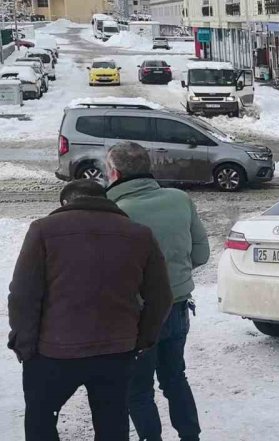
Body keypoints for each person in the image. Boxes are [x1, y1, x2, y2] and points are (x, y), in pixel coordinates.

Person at [8, 179, 173, 441]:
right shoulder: (139, 234)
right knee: (112, 425)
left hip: (54, 351)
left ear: (66, 202)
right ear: (106, 200)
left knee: (41, 421)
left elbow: (23, 294)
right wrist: (142, 339)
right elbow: (161, 296)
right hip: (116, 350)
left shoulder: (44, 230)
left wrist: (25, 346)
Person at [104, 142, 210, 441]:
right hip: (177, 306)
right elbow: (201, 254)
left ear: (114, 172)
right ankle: (190, 436)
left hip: (136, 316)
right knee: (175, 378)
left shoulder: (114, 212)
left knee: (138, 389)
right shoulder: (179, 199)